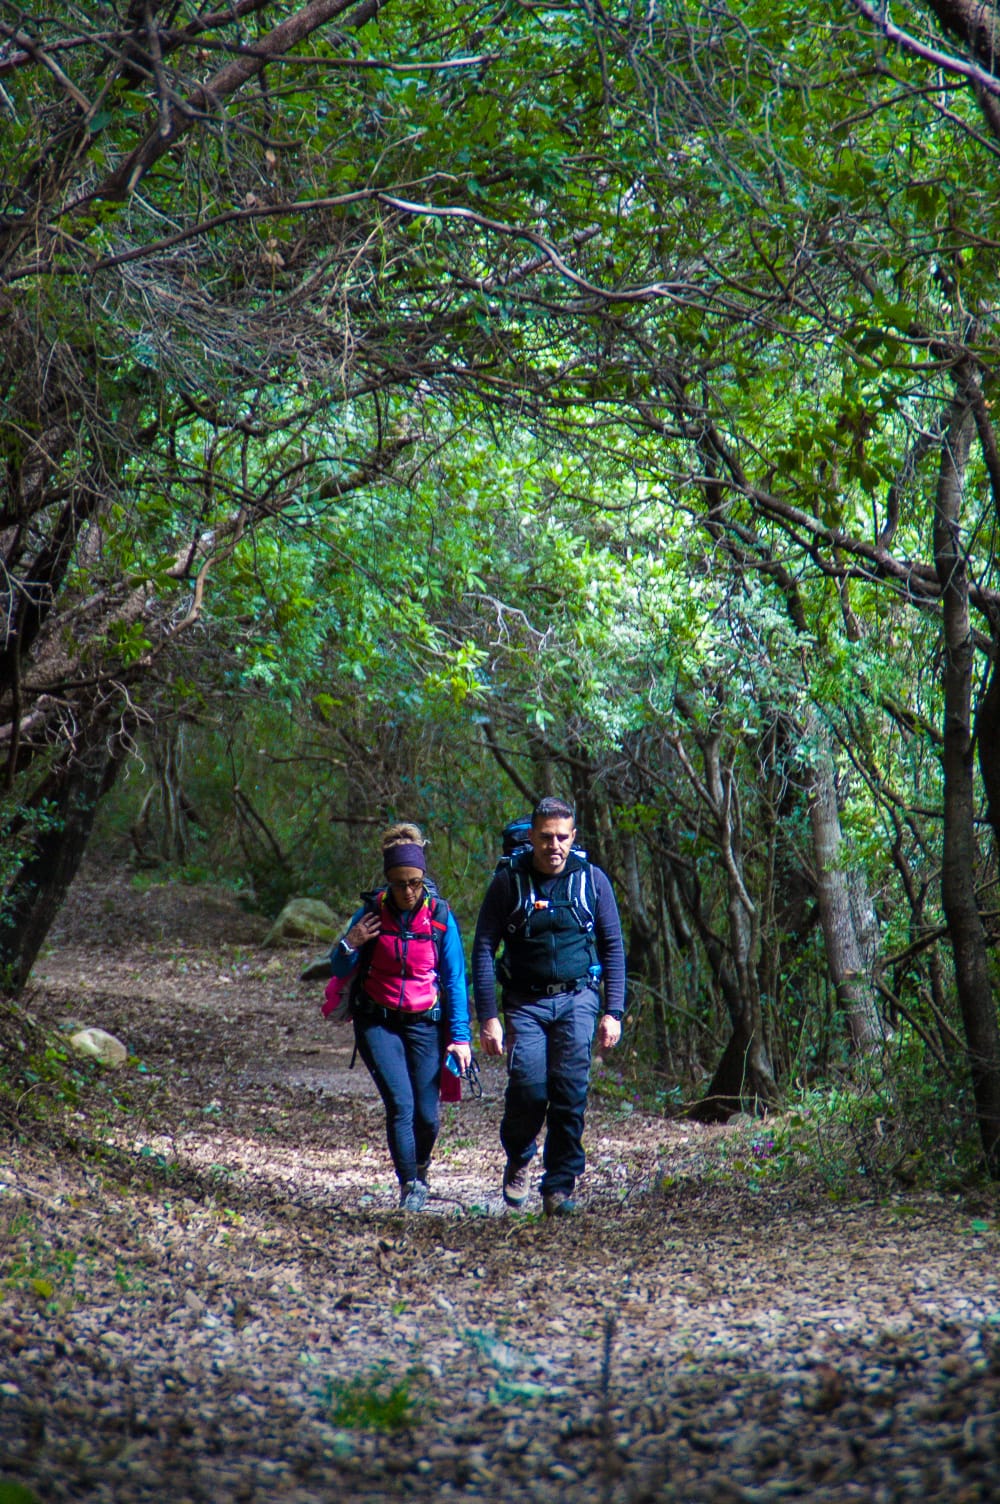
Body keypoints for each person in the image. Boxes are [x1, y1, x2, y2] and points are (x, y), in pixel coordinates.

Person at [472, 796, 626, 1217]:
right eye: (545, 837)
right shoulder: (509, 882)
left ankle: (558, 1184)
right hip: (525, 1002)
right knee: (528, 1088)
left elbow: (612, 946)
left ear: (573, 837)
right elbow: (484, 945)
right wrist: (488, 1018)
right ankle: (520, 1154)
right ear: (531, 837)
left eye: (561, 837)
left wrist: (614, 1011)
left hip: (578, 997)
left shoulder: (593, 881)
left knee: (570, 1092)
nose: (553, 845)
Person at [329, 822, 472, 1211]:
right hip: (378, 1022)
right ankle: (410, 1184)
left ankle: (420, 1168)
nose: (408, 891)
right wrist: (350, 942)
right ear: (387, 880)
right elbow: (338, 964)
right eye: (398, 883)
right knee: (400, 1104)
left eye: (414, 882)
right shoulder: (372, 913)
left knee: (427, 1116)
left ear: (423, 877)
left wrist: (460, 1037)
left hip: (425, 1023)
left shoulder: (440, 918)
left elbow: (456, 980)